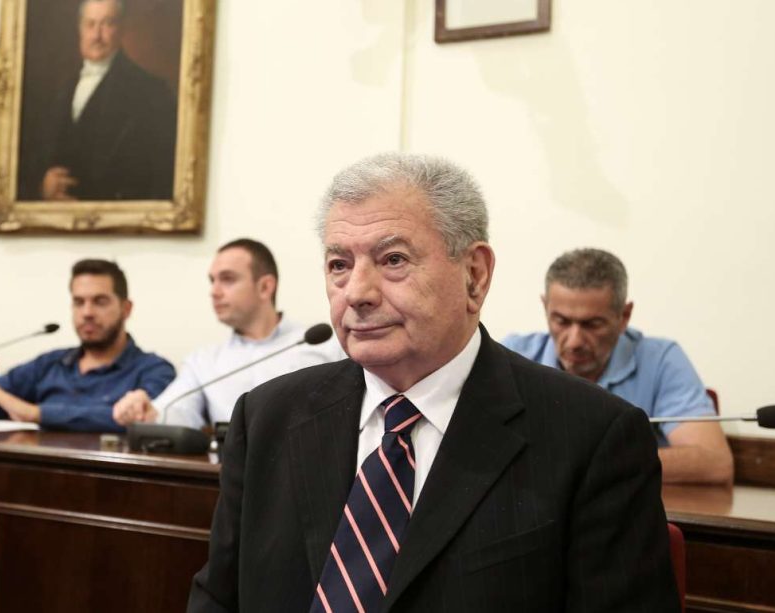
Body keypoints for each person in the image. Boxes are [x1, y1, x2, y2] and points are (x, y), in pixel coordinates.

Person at [188, 154, 678, 611]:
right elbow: (217, 600)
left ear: (474, 275)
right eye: (339, 265)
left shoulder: (592, 437)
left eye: (393, 260)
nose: (357, 293)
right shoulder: (267, 418)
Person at [503, 248, 734, 485]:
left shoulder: (660, 360)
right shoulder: (512, 355)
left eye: (592, 324)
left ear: (624, 315)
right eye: (561, 321)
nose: (574, 342)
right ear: (545, 307)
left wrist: (583, 465)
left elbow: (714, 463)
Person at [112, 238, 344, 430]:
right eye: (212, 281)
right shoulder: (204, 361)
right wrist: (146, 411)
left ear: (265, 287)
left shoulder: (323, 345)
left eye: (227, 279)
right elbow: (177, 411)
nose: (214, 292)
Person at [0, 259, 174, 432]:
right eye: (78, 302)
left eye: (100, 302)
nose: (87, 312)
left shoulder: (154, 370)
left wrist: (37, 413)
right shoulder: (50, 364)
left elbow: (141, 417)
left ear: (126, 309)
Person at [22, 0, 177, 201]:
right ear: (80, 29)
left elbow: (159, 177)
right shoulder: (62, 92)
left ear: (121, 30)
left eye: (107, 24)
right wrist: (42, 187)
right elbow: (35, 159)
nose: (96, 35)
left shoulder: (151, 92)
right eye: (90, 24)